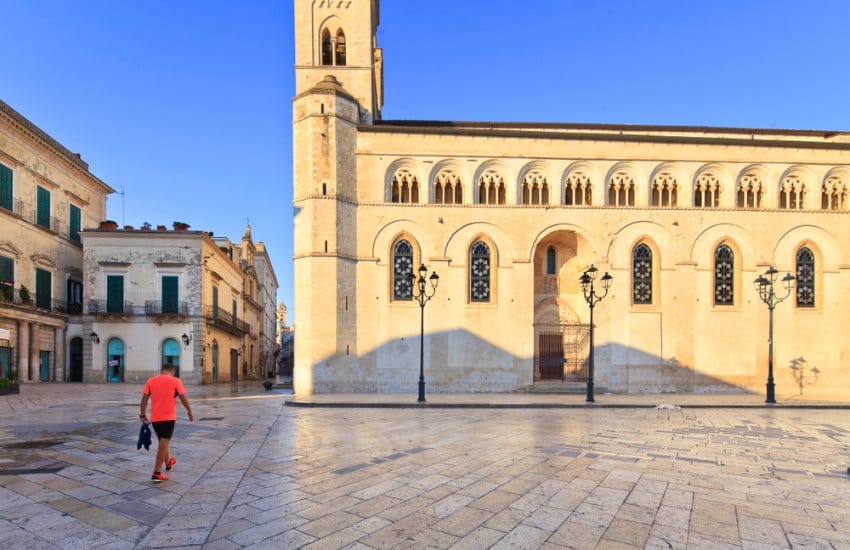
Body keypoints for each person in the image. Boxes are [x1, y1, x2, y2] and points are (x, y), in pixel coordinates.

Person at [139, 364, 194, 481]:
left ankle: (169, 463)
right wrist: (189, 410)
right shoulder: (176, 381)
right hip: (168, 418)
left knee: (163, 442)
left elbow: (144, 398)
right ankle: (156, 473)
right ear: (172, 371)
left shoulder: (151, 380)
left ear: (162, 370)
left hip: (155, 418)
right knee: (163, 445)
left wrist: (142, 414)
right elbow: (183, 397)